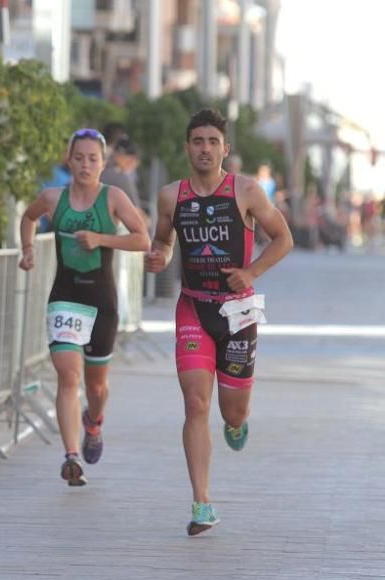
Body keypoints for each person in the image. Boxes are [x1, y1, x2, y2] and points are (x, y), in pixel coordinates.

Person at [145, 108, 293, 536]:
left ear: (225, 149)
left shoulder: (245, 192)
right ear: (187, 147)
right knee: (195, 404)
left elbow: (283, 238)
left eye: (213, 142)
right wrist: (159, 256)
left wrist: (252, 272)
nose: (205, 149)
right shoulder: (171, 196)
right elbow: (163, 240)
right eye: (197, 141)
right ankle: (202, 502)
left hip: (238, 312)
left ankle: (236, 423)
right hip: (193, 307)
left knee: (231, 412)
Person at [18, 128, 150, 487]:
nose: (86, 165)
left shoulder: (113, 198)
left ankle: (93, 422)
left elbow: (143, 239)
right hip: (65, 296)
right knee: (68, 376)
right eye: (79, 158)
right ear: (69, 159)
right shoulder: (51, 197)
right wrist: (28, 249)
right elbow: (28, 217)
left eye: (93, 159)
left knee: (96, 387)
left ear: (103, 163)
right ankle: (71, 455)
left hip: (101, 302)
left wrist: (102, 239)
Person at [100, 136, 141, 208]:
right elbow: (135, 209)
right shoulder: (119, 176)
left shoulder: (102, 164)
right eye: (129, 161)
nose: (130, 167)